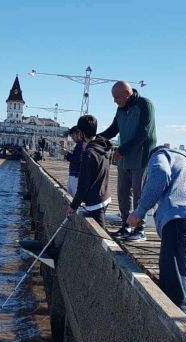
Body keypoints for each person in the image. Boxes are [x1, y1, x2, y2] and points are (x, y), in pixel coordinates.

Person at [126, 146, 186, 315]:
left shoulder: (161, 155)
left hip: (180, 221)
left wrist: (139, 212)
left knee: (174, 294)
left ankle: (175, 335)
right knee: (184, 285)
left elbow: (160, 174)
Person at [99, 81, 156, 242]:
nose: (114, 100)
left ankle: (140, 228)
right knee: (123, 193)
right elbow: (113, 129)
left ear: (127, 93)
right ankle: (126, 225)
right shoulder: (120, 109)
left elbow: (143, 132)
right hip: (124, 158)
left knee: (139, 193)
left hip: (141, 156)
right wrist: (95, 139)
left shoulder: (145, 105)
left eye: (116, 97)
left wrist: (122, 150)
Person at [66, 115, 113, 228]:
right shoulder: (103, 145)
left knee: (101, 235)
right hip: (105, 195)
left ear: (81, 132)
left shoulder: (89, 154)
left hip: (95, 202)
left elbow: (83, 185)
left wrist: (73, 206)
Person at [64, 126, 87, 196]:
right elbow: (76, 158)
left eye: (73, 136)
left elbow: (77, 160)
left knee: (74, 198)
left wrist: (66, 154)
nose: (72, 138)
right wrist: (68, 154)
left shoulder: (82, 145)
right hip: (73, 175)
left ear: (79, 134)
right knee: (69, 197)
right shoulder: (79, 145)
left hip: (76, 177)